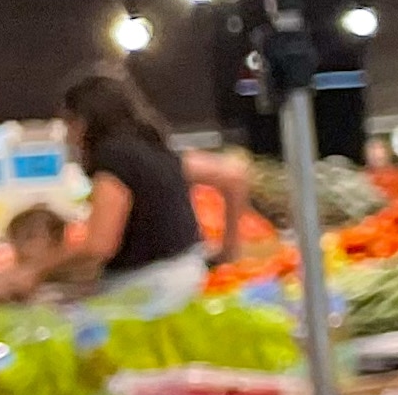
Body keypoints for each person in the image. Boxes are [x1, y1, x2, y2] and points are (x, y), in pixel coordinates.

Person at [20, 72, 241, 311]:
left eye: (68, 124)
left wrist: (38, 270)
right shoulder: (156, 149)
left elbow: (99, 246)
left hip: (147, 289)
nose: (67, 136)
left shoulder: (111, 159)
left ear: (82, 123)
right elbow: (233, 176)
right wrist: (229, 248)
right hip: (189, 275)